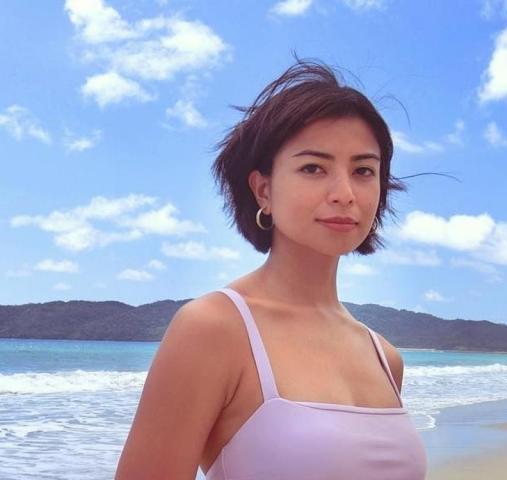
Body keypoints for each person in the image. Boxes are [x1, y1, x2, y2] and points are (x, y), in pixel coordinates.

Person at [115, 56, 428, 480]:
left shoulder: (385, 357)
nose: (344, 193)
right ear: (263, 189)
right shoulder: (214, 329)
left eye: (363, 171)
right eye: (313, 168)